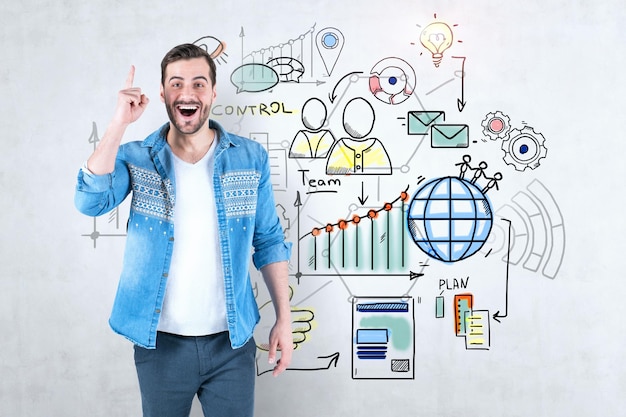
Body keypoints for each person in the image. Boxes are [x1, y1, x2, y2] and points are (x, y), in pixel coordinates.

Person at [74, 43, 293, 417]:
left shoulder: (250, 157)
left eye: (198, 83)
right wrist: (118, 124)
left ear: (212, 92)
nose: (187, 93)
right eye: (176, 84)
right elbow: (90, 201)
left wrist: (284, 320)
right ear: (162, 94)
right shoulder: (137, 156)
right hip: (160, 346)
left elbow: (269, 241)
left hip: (232, 343)